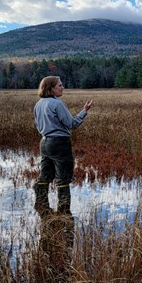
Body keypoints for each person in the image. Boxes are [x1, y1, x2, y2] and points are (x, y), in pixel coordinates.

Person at [33, 76, 93, 215]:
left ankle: (41, 207)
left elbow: (38, 125)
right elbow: (72, 124)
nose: (62, 87)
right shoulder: (57, 104)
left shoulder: (39, 104)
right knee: (63, 179)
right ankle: (64, 213)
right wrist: (84, 111)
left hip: (44, 142)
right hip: (60, 144)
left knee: (45, 176)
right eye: (59, 85)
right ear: (51, 88)